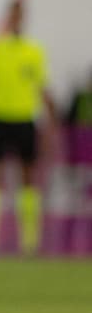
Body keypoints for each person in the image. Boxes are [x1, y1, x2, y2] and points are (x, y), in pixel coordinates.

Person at [0, 0, 56, 256]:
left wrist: (52, 118)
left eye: (20, 14)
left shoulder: (34, 51)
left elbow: (42, 87)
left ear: (24, 18)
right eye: (13, 14)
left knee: (28, 177)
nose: (16, 19)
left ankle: (29, 243)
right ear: (7, 17)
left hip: (24, 118)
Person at [62, 69, 92, 253]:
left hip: (82, 160)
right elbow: (68, 124)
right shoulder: (80, 98)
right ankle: (70, 243)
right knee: (76, 201)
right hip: (80, 160)